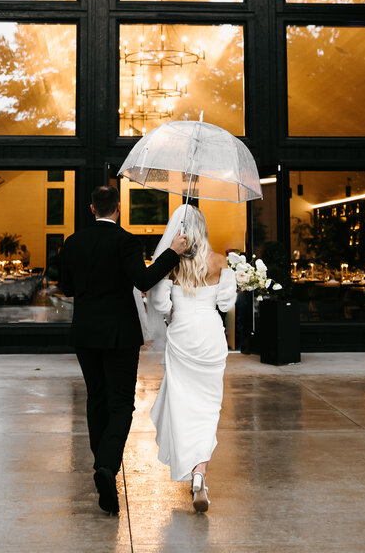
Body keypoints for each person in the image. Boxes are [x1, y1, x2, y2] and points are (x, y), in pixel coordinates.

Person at [60, 184, 189, 514]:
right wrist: (172, 252)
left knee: (96, 398)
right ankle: (105, 466)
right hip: (120, 334)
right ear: (118, 208)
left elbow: (67, 288)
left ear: (92, 209)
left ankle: (100, 464)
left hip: (86, 333)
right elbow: (143, 280)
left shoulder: (72, 242)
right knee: (120, 405)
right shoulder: (125, 241)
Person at [147, 203, 237, 513]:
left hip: (182, 336)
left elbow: (159, 304)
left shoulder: (169, 264)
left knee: (184, 408)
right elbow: (225, 303)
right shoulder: (217, 261)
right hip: (210, 338)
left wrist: (175, 309)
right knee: (208, 409)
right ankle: (200, 474)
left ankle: (196, 475)